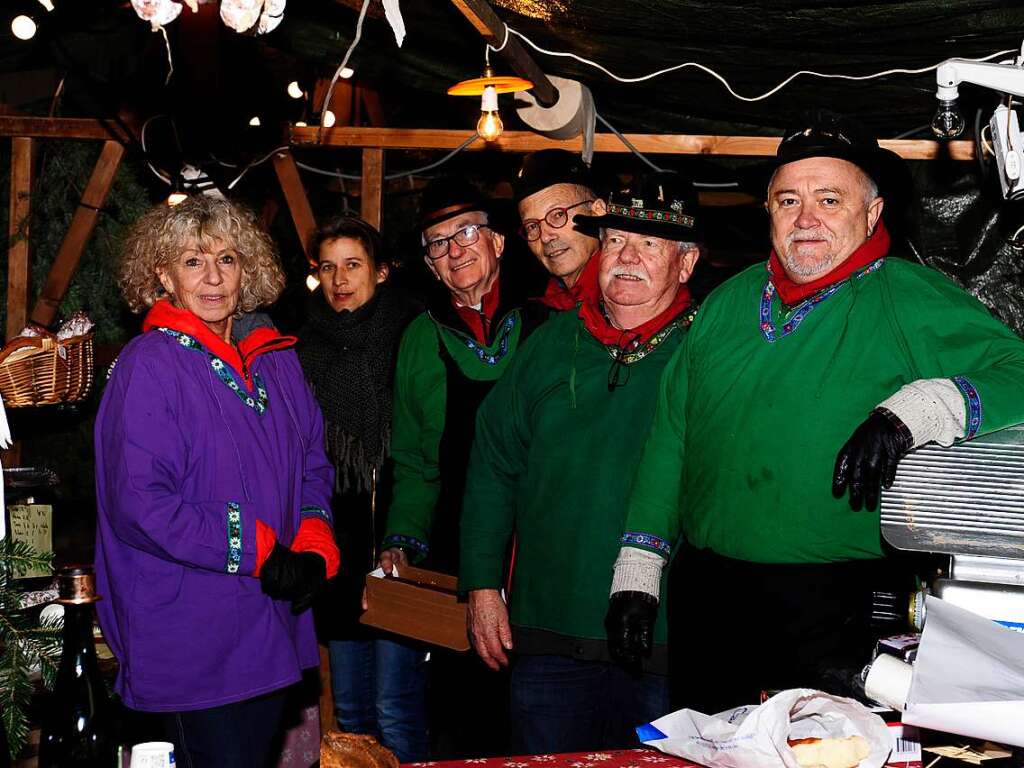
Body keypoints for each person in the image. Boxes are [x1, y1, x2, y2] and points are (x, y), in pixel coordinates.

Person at [606, 111, 1024, 714]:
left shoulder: (909, 294)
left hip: (840, 605)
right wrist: (639, 571)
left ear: (872, 214)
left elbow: (1017, 372)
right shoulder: (726, 303)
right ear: (769, 212)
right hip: (711, 598)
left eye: (829, 199)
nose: (806, 218)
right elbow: (671, 438)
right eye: (788, 200)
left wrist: (925, 406)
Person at [94, 195, 340, 768]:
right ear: (162, 275)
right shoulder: (148, 365)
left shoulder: (275, 358)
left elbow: (312, 463)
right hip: (191, 635)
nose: (212, 277)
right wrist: (258, 547)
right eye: (192, 261)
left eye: (226, 260)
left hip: (269, 624)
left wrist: (312, 540)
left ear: (245, 269)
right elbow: (141, 503)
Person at [461, 172, 700, 752]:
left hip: (664, 639)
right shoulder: (549, 345)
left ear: (685, 263)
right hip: (548, 629)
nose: (627, 257)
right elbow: (494, 461)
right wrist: (483, 586)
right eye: (616, 240)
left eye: (649, 244)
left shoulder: (709, 350)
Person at [379, 178, 545, 758]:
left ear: (499, 242)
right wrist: (402, 538)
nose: (455, 250)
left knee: (543, 708)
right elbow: (415, 459)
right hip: (458, 547)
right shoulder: (421, 339)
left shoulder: (547, 322)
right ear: (429, 264)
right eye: (438, 244)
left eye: (467, 233)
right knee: (466, 714)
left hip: (543, 543)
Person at [297, 215, 426, 762]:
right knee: (350, 716)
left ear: (382, 271)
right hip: (336, 548)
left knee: (397, 710)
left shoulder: (414, 333)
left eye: (352, 265)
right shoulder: (301, 345)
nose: (339, 279)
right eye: (328, 267)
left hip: (398, 541)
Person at [513, 149, 605, 310]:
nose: (545, 237)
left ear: (597, 211)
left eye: (557, 215)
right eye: (532, 226)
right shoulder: (534, 314)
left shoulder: (628, 299)